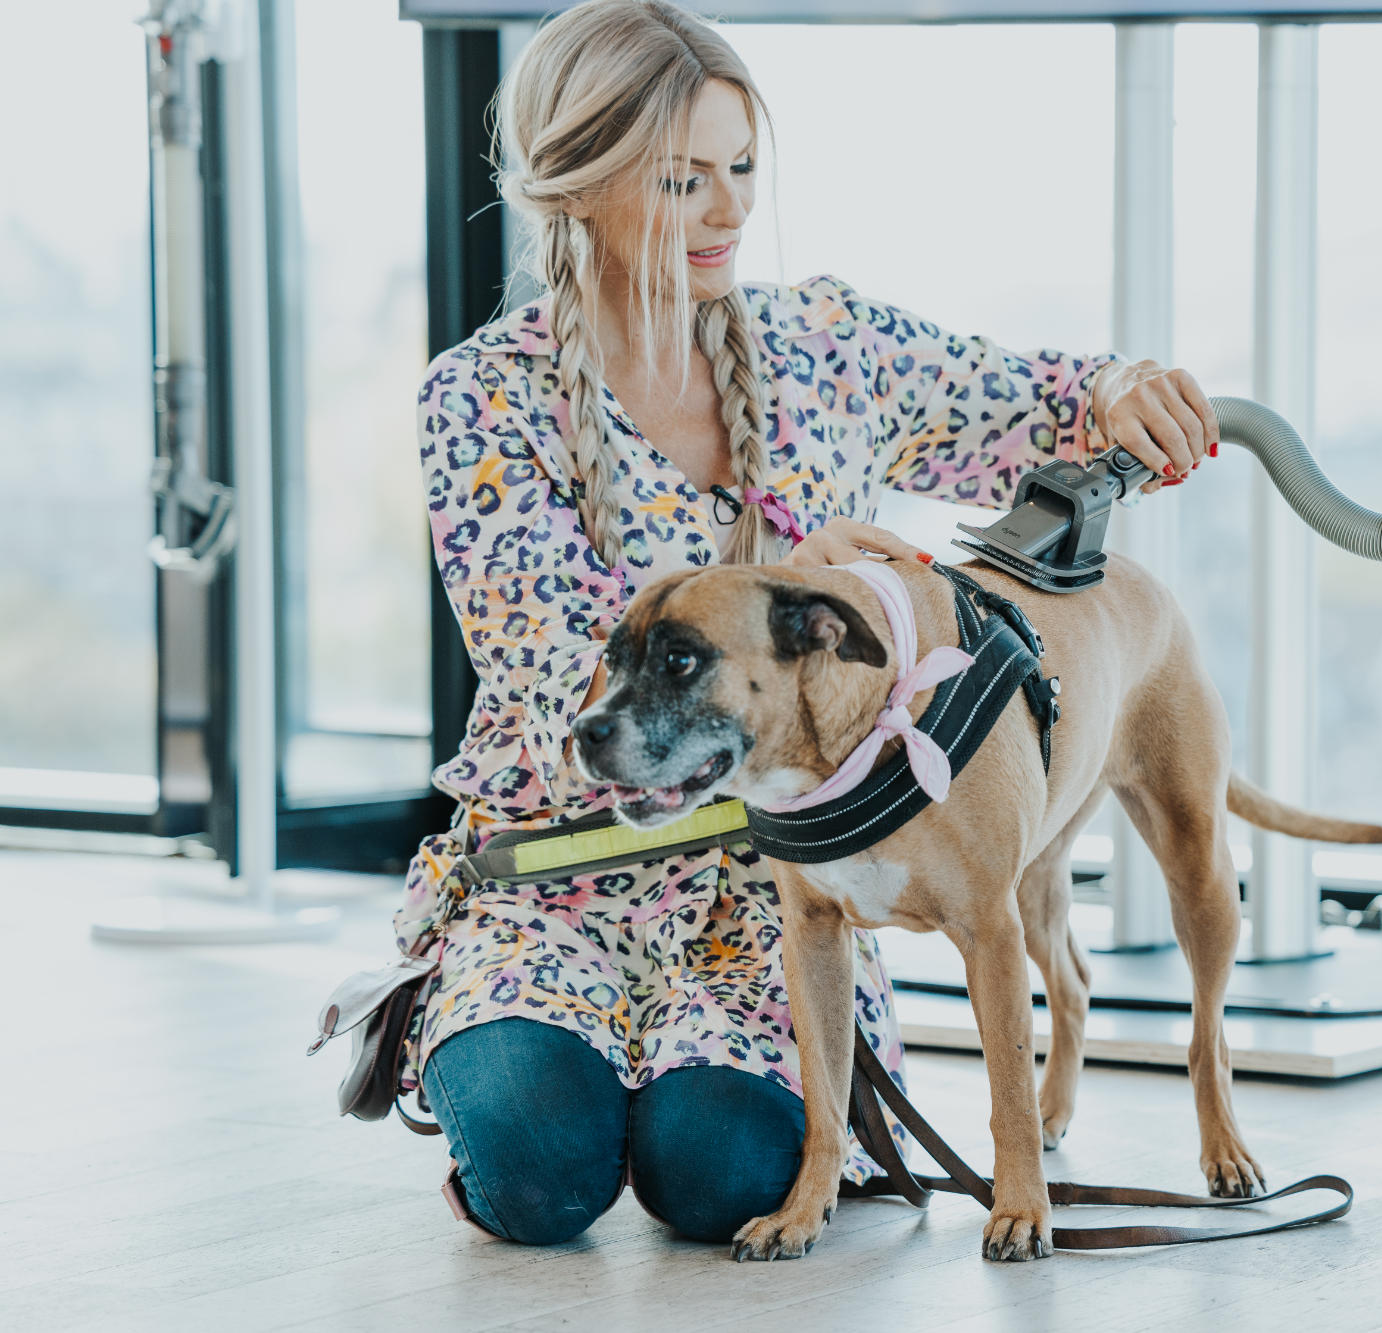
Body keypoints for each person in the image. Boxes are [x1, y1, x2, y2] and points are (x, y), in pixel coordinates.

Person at [395, 0, 1219, 1248]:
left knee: (717, 1173)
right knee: (538, 1168)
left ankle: (702, 1104)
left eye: (741, 167)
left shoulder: (826, 344)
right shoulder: (480, 397)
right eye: (684, 180)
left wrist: (1117, 388)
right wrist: (782, 583)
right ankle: (507, 1052)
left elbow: (1033, 402)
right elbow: (554, 668)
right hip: (559, 888)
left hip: (783, 893)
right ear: (580, 186)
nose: (729, 210)